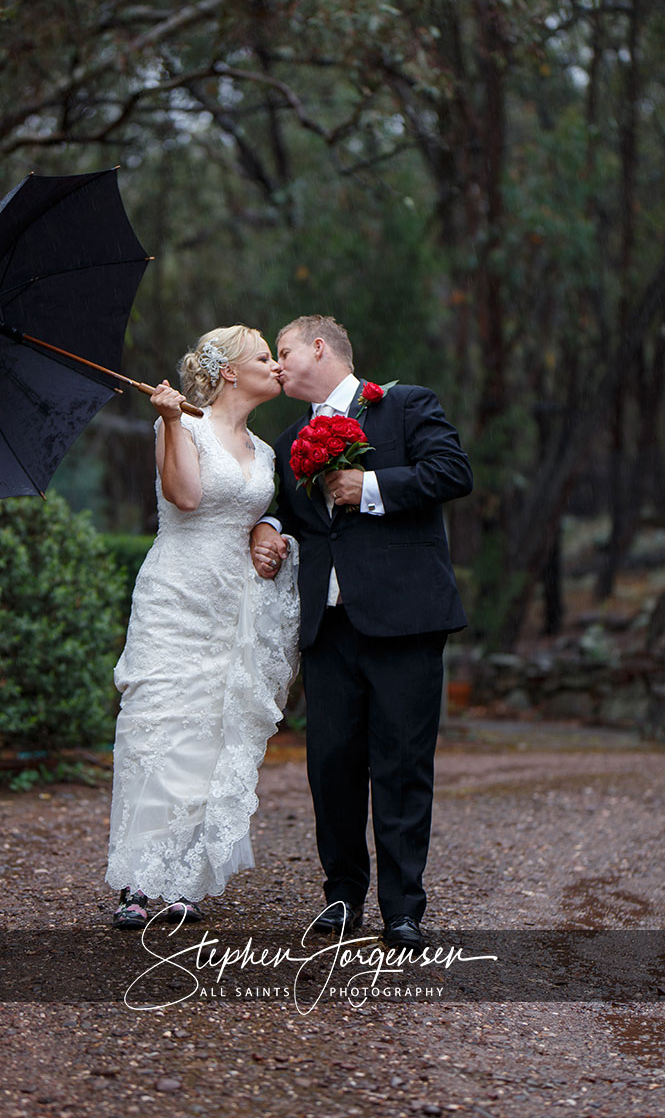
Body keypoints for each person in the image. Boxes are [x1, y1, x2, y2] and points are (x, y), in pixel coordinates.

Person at [251, 315, 472, 951]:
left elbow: (452, 471)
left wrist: (368, 484)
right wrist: (268, 527)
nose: (277, 364)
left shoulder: (405, 406)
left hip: (405, 620)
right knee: (332, 767)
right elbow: (291, 517)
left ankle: (403, 910)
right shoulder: (292, 438)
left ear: (319, 348)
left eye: (284, 351)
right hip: (329, 627)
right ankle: (342, 898)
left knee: (403, 765)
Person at [107, 325, 299, 929]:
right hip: (176, 594)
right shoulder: (184, 426)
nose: (276, 366)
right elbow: (185, 497)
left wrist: (270, 535)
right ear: (230, 373)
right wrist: (167, 422)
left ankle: (185, 875)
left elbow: (254, 511)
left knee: (212, 730)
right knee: (158, 721)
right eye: (265, 357)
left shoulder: (266, 451)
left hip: (233, 603)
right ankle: (138, 880)